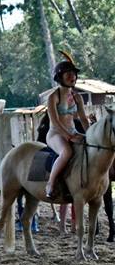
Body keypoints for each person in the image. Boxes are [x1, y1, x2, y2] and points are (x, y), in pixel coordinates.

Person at [44, 53, 91, 200]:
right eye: (69, 74)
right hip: (55, 134)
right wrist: (70, 137)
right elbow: (56, 123)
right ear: (60, 77)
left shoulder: (77, 97)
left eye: (74, 74)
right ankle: (50, 184)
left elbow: (83, 119)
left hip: (73, 132)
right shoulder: (53, 97)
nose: (73, 77)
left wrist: (90, 135)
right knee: (67, 152)